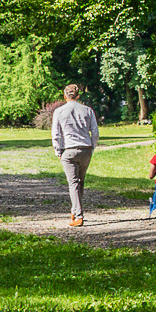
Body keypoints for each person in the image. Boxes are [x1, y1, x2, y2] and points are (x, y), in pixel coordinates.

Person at [48, 83, 99, 227]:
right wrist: (92, 147)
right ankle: (75, 210)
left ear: (65, 95)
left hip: (69, 150)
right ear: (78, 95)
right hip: (85, 149)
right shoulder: (88, 110)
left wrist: (58, 150)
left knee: (73, 182)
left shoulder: (59, 111)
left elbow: (56, 134)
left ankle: (78, 215)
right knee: (80, 182)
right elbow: (95, 132)